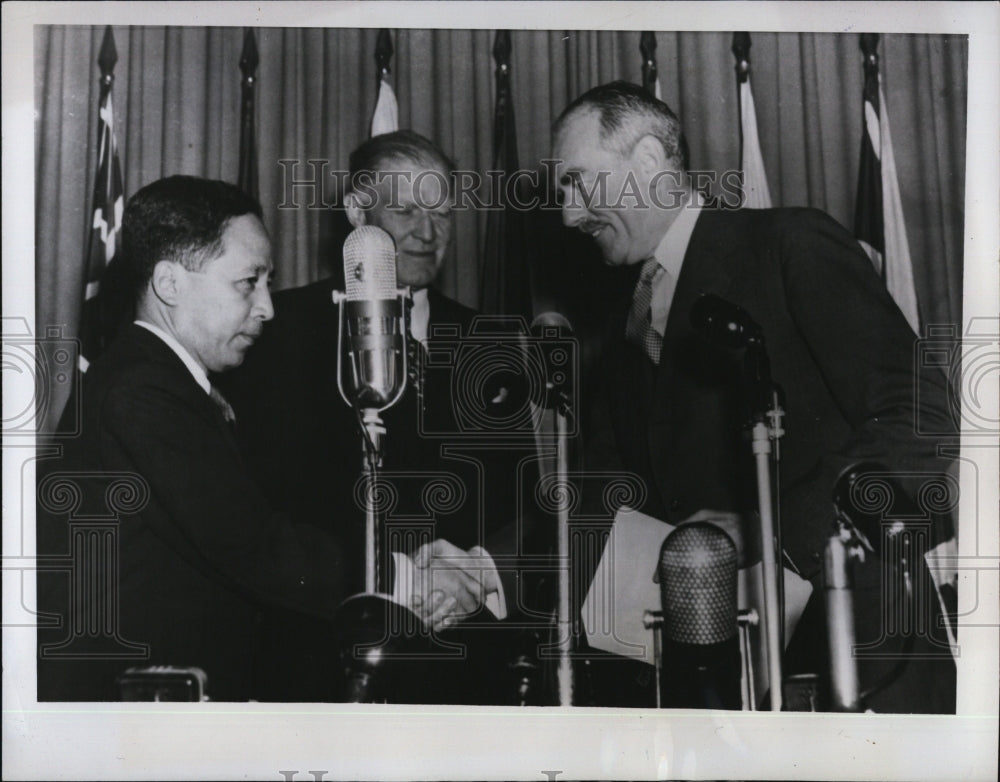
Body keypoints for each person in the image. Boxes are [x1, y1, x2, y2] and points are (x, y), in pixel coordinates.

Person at [552, 81, 957, 712]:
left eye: (579, 182)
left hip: (858, 647)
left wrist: (767, 530)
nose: (569, 215)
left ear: (652, 163)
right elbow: (609, 483)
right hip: (715, 675)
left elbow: (922, 419)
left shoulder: (789, 244)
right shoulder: (618, 318)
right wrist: (487, 566)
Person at [35, 176, 426, 702]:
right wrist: (401, 577)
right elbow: (248, 544)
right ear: (170, 284)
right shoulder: (142, 390)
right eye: (248, 282)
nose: (267, 307)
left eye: (268, 282)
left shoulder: (161, 381)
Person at [220, 131, 537, 702]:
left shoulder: (495, 342)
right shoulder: (274, 333)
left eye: (442, 212)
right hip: (315, 661)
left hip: (462, 664)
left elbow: (526, 499)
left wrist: (472, 577)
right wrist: (398, 578)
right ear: (356, 211)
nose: (428, 231)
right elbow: (261, 506)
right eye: (406, 209)